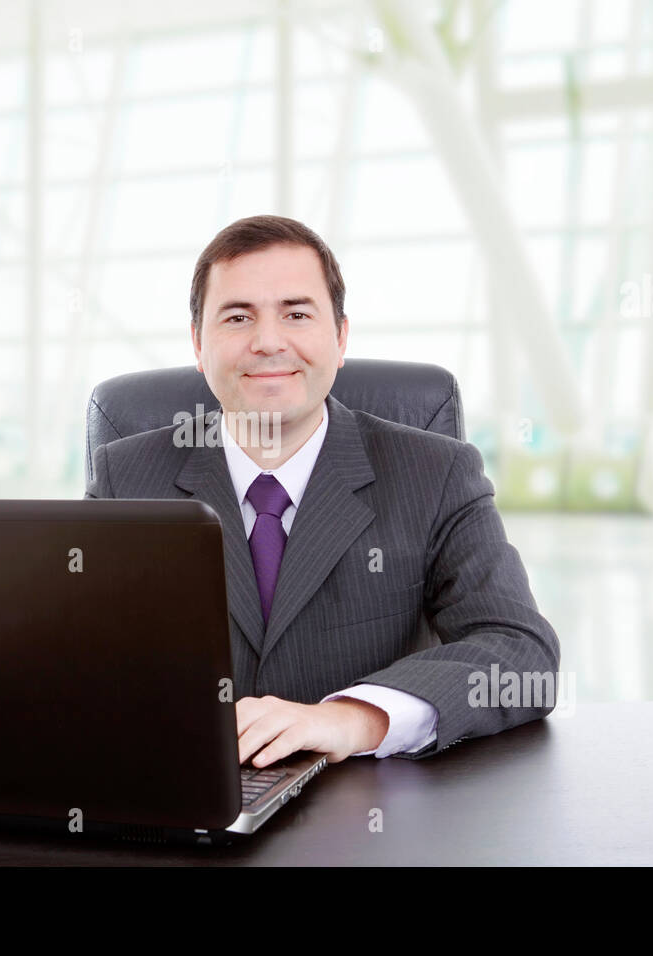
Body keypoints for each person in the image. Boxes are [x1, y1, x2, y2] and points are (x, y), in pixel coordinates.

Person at [85, 214, 560, 769]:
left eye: (296, 314)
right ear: (198, 343)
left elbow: (520, 653)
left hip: (371, 802)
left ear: (339, 338)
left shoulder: (437, 474)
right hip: (186, 793)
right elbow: (76, 658)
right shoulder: (124, 478)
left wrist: (353, 718)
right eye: (237, 317)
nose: (268, 342)